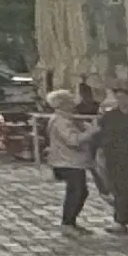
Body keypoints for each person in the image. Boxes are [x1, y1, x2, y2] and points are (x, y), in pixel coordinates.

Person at [41, 91, 102, 232]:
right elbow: (73, 140)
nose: (74, 103)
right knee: (76, 191)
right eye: (70, 100)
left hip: (73, 162)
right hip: (67, 162)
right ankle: (67, 223)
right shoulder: (60, 121)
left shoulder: (69, 119)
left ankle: (71, 222)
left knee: (80, 191)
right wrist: (92, 132)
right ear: (62, 103)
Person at [98, 80, 128, 237]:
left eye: (123, 97)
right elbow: (103, 133)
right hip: (116, 157)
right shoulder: (111, 116)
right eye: (118, 97)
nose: (120, 100)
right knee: (120, 189)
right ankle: (121, 221)